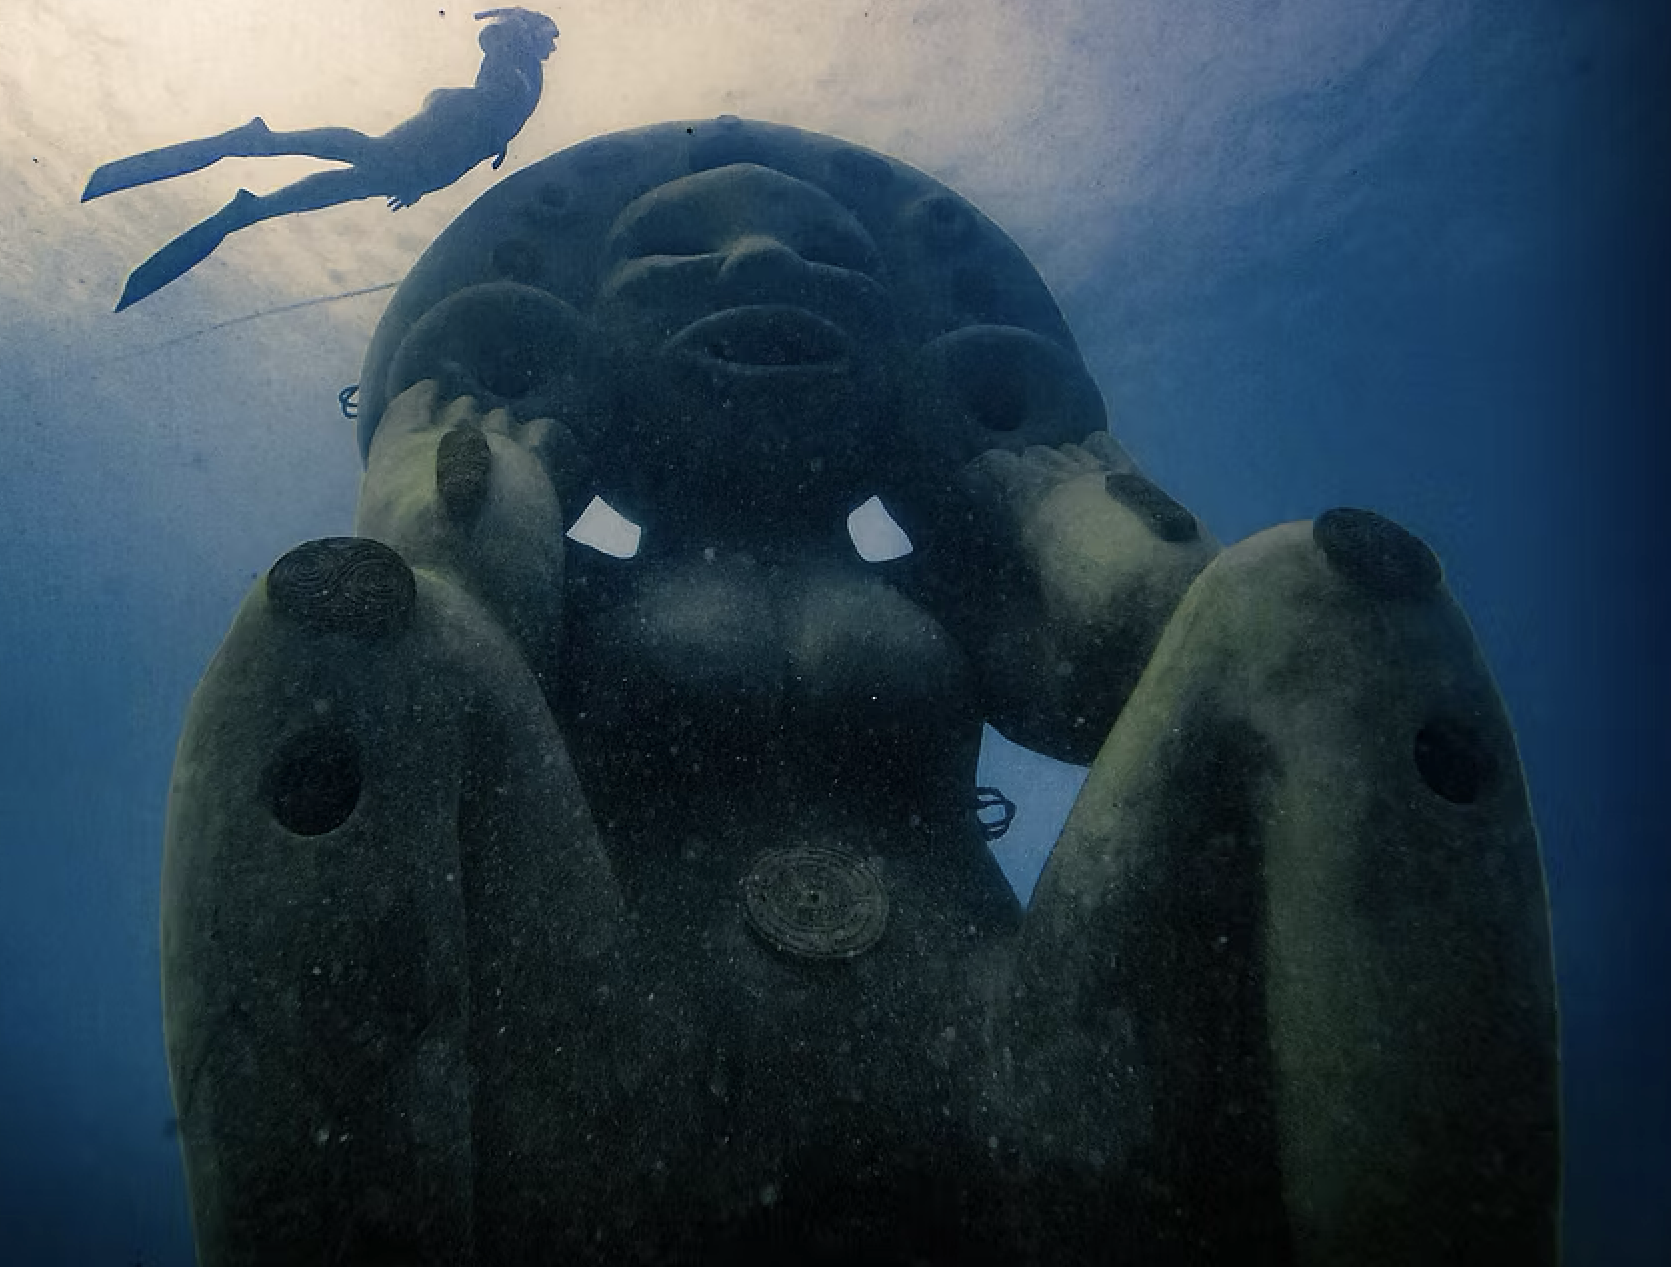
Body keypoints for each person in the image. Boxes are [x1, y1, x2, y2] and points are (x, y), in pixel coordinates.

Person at [160, 120, 1559, 1265]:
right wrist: (475, 470)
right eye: (675, 250)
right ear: (572, 334)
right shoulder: (585, 599)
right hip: (620, 1096)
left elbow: (1130, 656)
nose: (763, 261)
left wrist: (1052, 487)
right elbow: (455, 617)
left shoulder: (946, 593)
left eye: (824, 252)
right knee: (337, 631)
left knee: (1321, 602)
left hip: (1034, 1085)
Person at [85, 7, 559, 309]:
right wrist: (511, 28)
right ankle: (260, 148)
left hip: (433, 163)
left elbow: (490, 113)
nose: (553, 44)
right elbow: (492, 53)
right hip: (434, 144)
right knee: (368, 156)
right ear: (532, 29)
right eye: (549, 32)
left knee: (352, 177)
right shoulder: (516, 56)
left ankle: (253, 202)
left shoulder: (526, 71)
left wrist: (427, 182)